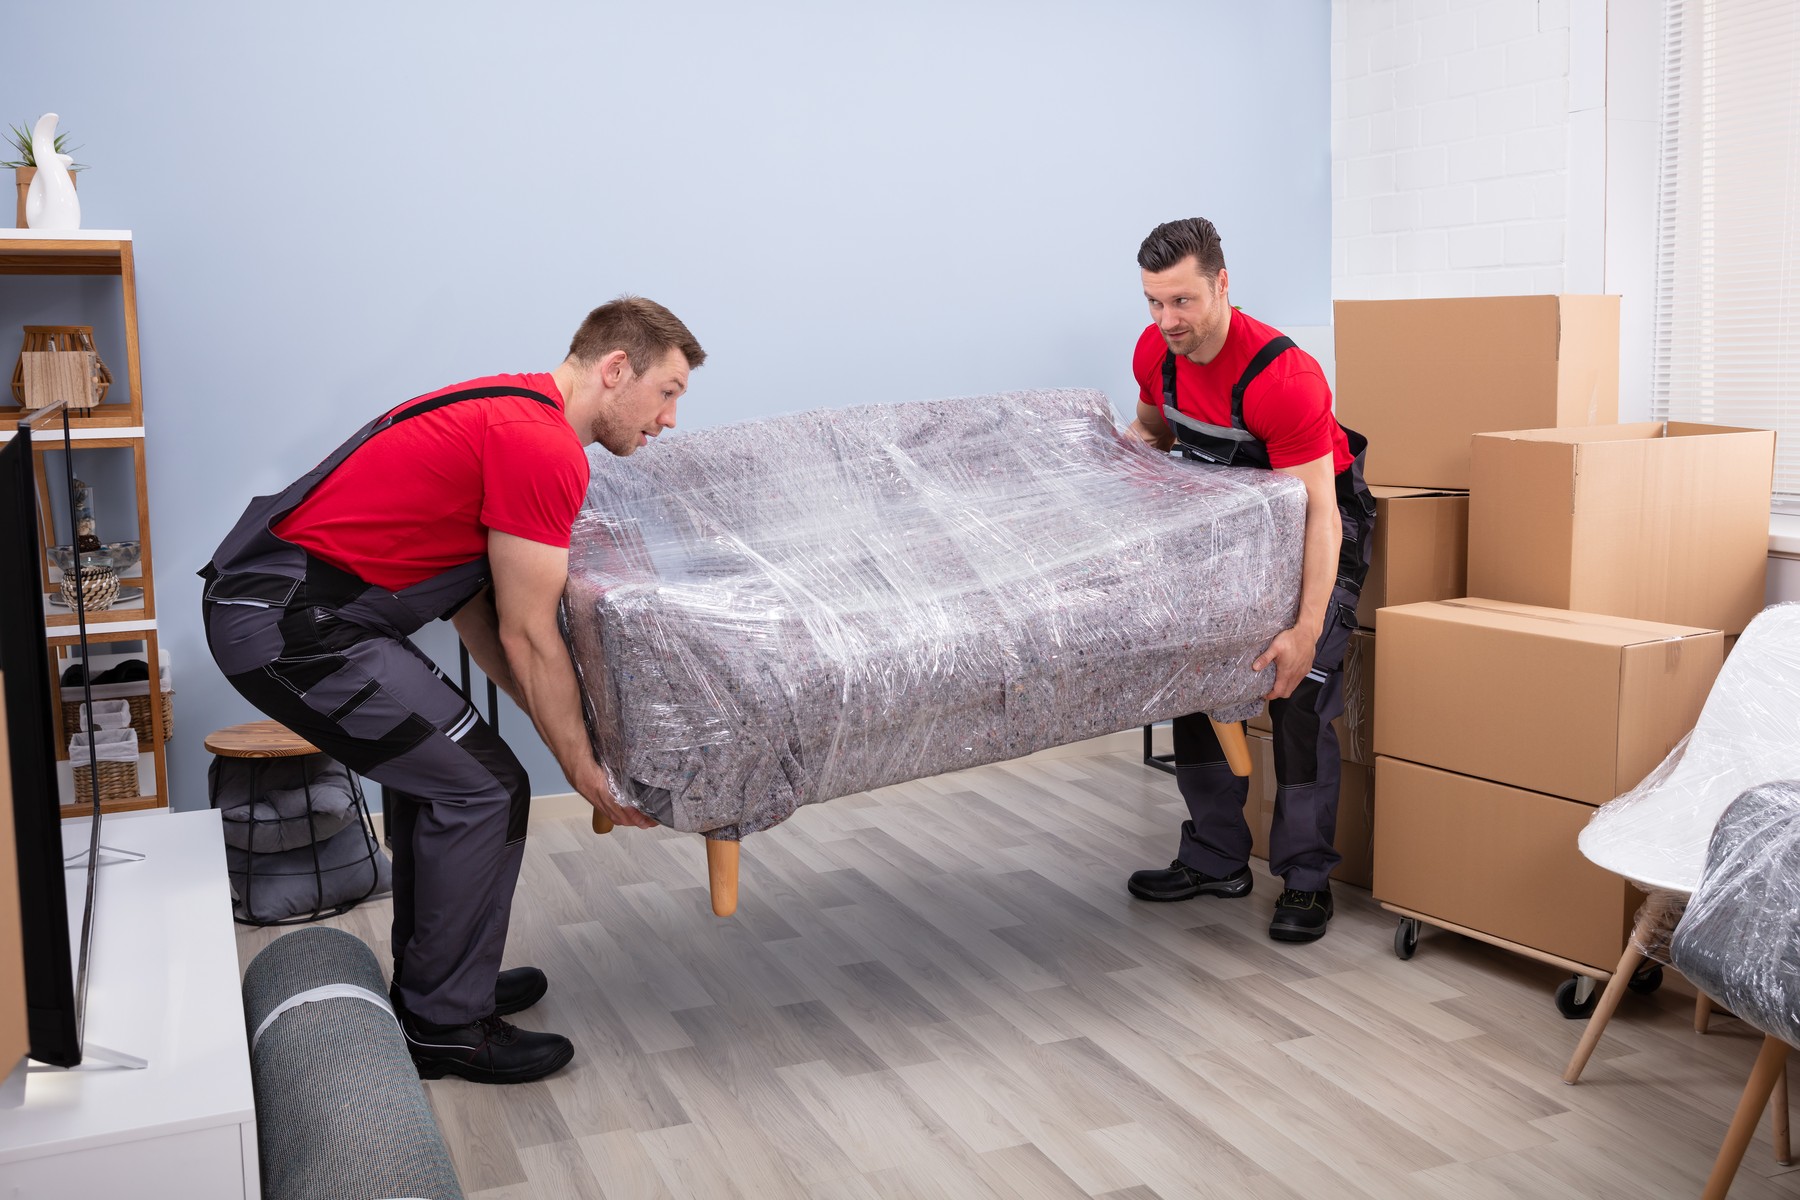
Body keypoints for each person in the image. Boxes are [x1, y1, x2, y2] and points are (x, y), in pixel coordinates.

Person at [201, 297, 703, 1082]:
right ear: (615, 370)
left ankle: (444, 984)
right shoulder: (544, 447)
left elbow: (479, 613)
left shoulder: (511, 411)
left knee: (456, 776)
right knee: (482, 789)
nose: (670, 418)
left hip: (311, 617)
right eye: (668, 391)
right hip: (293, 624)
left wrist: (568, 732)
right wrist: (581, 765)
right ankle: (443, 1027)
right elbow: (530, 636)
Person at [1123, 218, 1375, 943]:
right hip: (1225, 532)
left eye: (1183, 302)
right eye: (1153, 302)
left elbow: (1320, 518)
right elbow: (1153, 438)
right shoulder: (1155, 353)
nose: (1167, 321)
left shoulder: (1282, 378)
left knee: (1296, 691)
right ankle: (1214, 858)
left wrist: (1303, 631)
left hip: (1315, 527)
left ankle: (1304, 881)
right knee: (1199, 678)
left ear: (1222, 284)